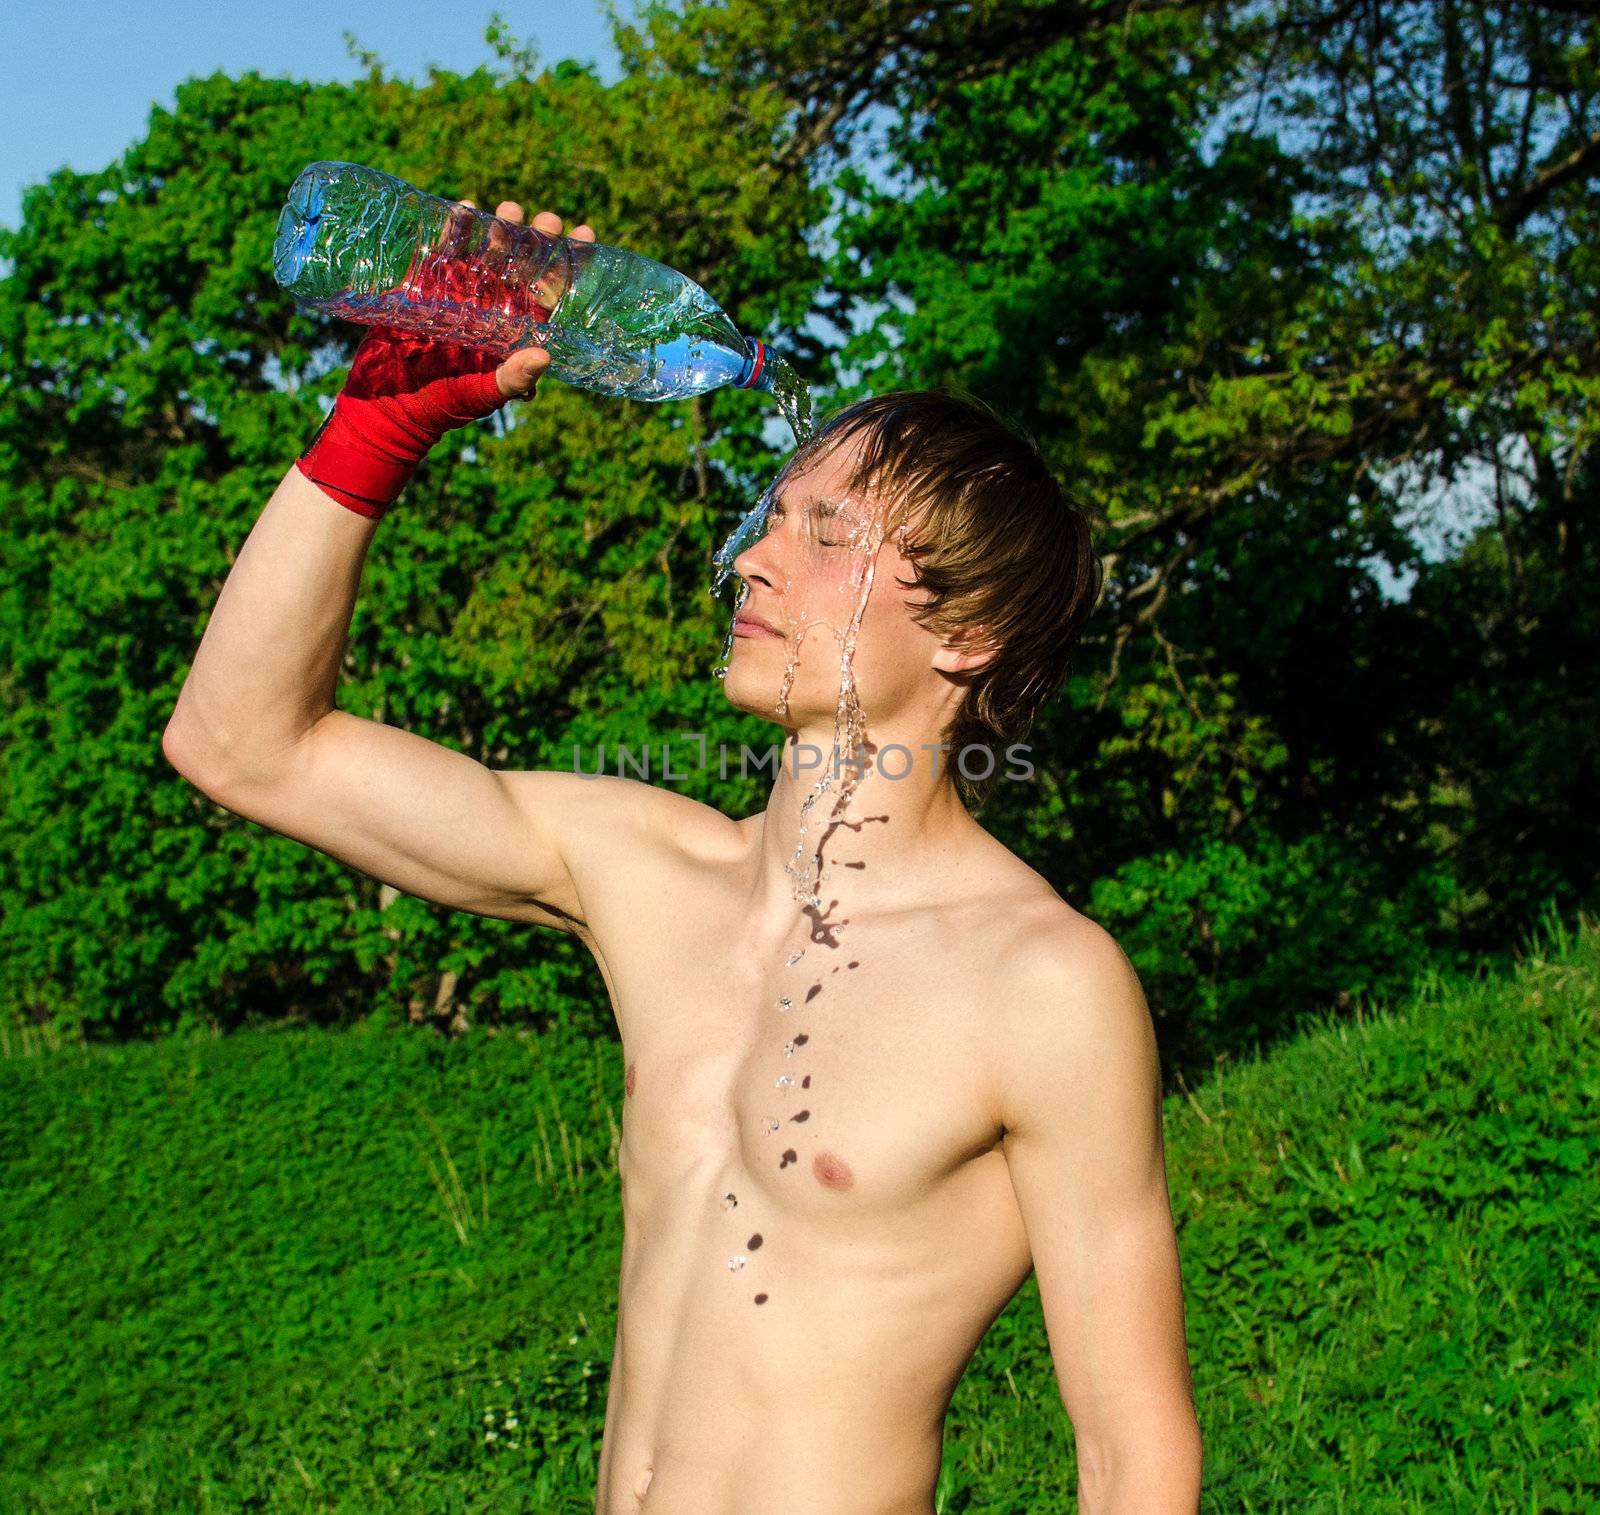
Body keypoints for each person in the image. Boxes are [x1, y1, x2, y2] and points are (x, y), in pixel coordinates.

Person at [163, 197, 1204, 1513]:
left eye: (830, 537)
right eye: (774, 518)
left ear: (972, 634)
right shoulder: (642, 871)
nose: (756, 558)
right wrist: (375, 433)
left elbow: (1131, 1454)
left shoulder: (1041, 983)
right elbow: (241, 744)